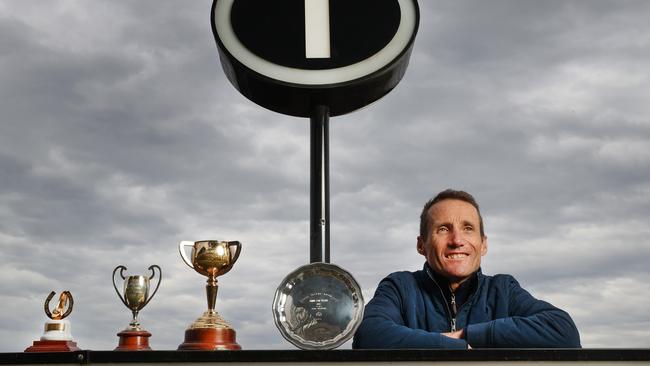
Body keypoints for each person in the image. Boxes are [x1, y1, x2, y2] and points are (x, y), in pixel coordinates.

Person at [352, 189, 581, 349]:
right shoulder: (400, 288)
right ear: (422, 244)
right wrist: (452, 347)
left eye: (468, 228)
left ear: (483, 244)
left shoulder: (503, 290)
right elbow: (369, 335)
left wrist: (468, 335)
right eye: (443, 229)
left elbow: (564, 331)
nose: (457, 240)